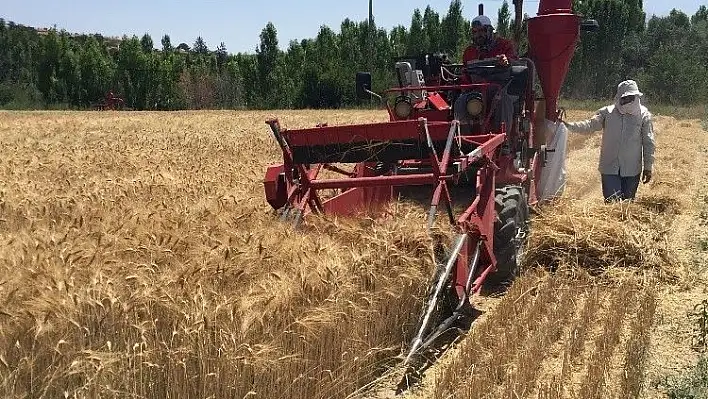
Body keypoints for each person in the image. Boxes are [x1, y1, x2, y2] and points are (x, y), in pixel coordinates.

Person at [562, 80, 655, 202]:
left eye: (631, 97)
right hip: (610, 167)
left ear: (636, 97)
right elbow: (590, 125)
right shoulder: (608, 113)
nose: (628, 101)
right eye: (625, 98)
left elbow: (649, 142)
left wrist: (648, 167)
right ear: (620, 97)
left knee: (628, 205)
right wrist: (568, 126)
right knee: (612, 204)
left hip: (632, 169)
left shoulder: (644, 116)